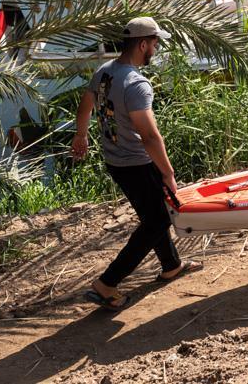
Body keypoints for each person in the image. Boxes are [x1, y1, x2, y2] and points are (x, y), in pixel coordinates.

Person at [72, 16, 200, 309]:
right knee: (159, 219)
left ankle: (171, 266)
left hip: (115, 162)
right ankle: (107, 283)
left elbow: (85, 104)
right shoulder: (136, 83)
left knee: (152, 216)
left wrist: (81, 136)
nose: (156, 48)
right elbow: (151, 137)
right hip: (137, 164)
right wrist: (168, 173)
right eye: (155, 43)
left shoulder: (105, 71)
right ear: (143, 44)